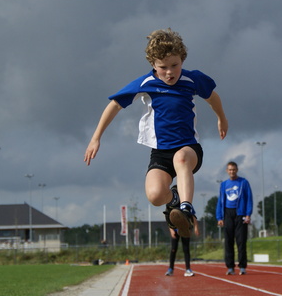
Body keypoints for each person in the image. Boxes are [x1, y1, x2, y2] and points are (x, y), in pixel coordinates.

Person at [84, 29, 228, 238]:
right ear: (153, 65)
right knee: (154, 195)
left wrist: (221, 118)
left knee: (181, 158)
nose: (169, 72)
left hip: (189, 149)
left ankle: (187, 210)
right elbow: (114, 105)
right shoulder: (146, 83)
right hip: (160, 153)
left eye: (175, 66)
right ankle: (174, 202)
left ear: (182, 60)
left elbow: (213, 97)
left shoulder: (192, 79)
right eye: (163, 67)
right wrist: (96, 138)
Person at [216, 161, 253, 275]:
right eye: (230, 170)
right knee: (228, 242)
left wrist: (248, 214)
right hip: (228, 214)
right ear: (227, 171)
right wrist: (219, 217)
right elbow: (220, 202)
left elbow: (249, 199)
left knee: (241, 241)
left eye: (233, 169)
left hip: (240, 214)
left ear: (237, 170)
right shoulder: (223, 185)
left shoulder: (243, 182)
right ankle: (230, 267)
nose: (232, 172)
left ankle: (242, 267)